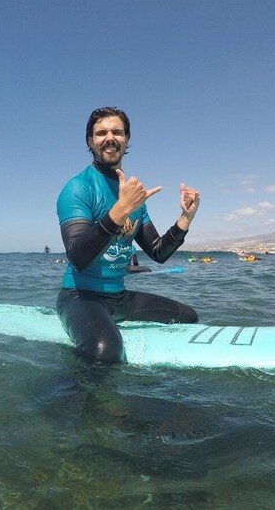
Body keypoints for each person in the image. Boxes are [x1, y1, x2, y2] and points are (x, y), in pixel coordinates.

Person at [56, 106, 200, 363]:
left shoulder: (134, 198)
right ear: (91, 141)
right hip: (80, 296)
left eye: (117, 132)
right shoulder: (78, 188)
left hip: (119, 298)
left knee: (188, 317)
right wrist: (120, 210)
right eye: (101, 133)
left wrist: (185, 218)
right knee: (106, 351)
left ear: (127, 139)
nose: (110, 137)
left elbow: (157, 251)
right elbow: (77, 256)